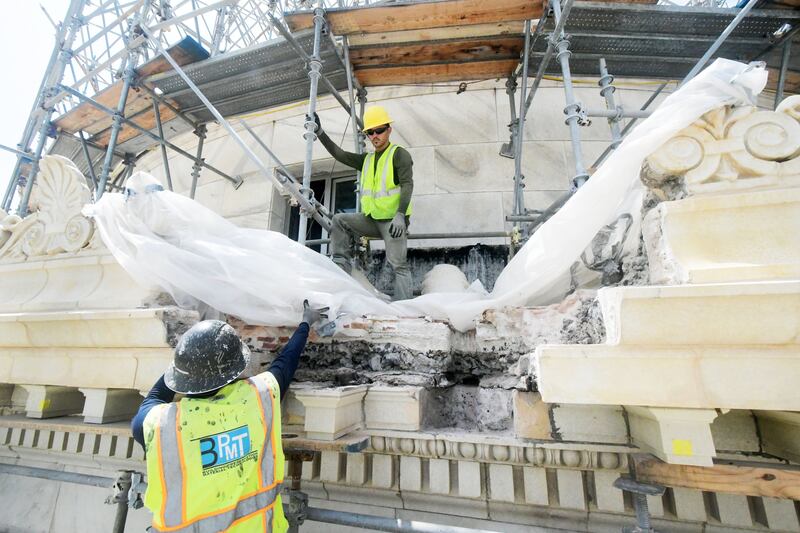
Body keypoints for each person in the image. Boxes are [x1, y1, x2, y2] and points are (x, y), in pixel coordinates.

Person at [131, 301, 327, 533]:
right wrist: (305, 322)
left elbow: (155, 396)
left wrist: (187, 357)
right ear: (236, 368)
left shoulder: (159, 424)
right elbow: (286, 362)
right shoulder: (259, 397)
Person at [312, 105, 414, 300]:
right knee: (340, 219)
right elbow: (339, 155)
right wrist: (320, 132)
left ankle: (405, 310)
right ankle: (341, 264)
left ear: (389, 129)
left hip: (393, 223)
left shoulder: (399, 155)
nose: (374, 135)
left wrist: (401, 215)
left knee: (398, 264)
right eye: (370, 132)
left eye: (379, 130)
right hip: (372, 219)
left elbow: (408, 184)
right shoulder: (366, 160)